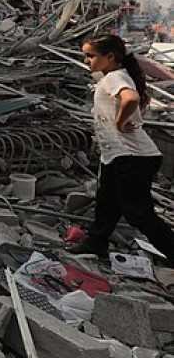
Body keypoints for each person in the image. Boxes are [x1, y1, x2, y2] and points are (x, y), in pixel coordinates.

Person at [71, 33, 174, 265]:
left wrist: (119, 122)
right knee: (107, 203)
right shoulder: (115, 76)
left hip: (133, 157)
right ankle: (96, 244)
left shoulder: (114, 78)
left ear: (110, 57)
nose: (86, 60)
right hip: (117, 156)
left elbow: (131, 99)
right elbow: (137, 99)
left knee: (138, 213)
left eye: (90, 56)